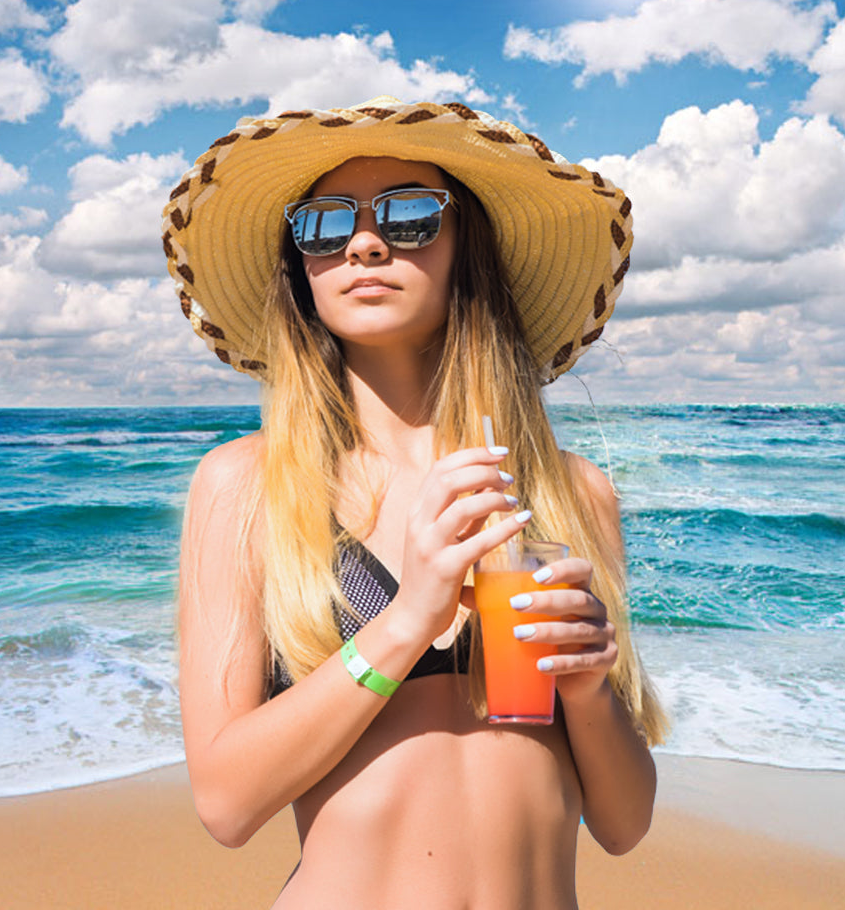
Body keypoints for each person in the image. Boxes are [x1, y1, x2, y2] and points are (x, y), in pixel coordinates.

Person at [165, 97, 667, 909]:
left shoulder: (569, 492)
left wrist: (587, 689)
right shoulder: (249, 487)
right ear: (302, 268)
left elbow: (624, 823)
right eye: (324, 225)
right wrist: (403, 624)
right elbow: (226, 804)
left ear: (469, 249)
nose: (364, 242)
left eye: (409, 216)